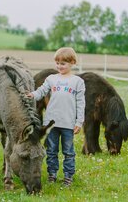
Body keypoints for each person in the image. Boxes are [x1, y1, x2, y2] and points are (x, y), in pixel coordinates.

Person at [26, 47, 85, 187]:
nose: (59, 66)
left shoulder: (78, 82)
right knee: (51, 151)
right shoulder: (51, 79)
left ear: (72, 62)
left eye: (63, 63)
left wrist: (79, 122)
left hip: (68, 124)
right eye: (57, 63)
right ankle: (52, 174)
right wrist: (33, 94)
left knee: (68, 152)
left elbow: (81, 103)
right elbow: (42, 91)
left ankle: (68, 176)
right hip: (51, 123)